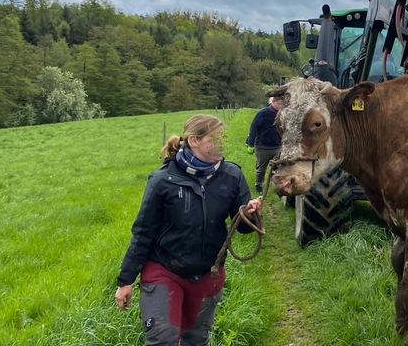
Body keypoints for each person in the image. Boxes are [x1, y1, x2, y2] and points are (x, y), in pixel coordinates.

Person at [115, 114, 263, 345]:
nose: (222, 144)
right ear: (194, 141)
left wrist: (251, 215)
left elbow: (242, 228)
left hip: (207, 271)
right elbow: (144, 232)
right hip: (164, 268)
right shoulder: (163, 180)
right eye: (215, 139)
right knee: (163, 339)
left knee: (196, 340)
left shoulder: (232, 176)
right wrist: (125, 280)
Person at [246, 96, 284, 194]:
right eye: (280, 104)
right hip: (263, 146)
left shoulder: (283, 114)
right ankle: (259, 184)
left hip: (277, 146)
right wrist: (250, 144)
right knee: (261, 168)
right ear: (274, 102)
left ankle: (277, 186)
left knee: (280, 167)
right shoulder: (263, 113)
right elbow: (253, 128)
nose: (281, 106)